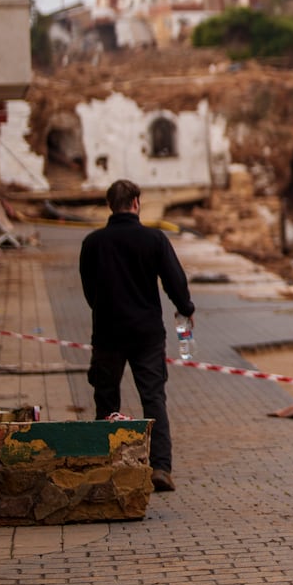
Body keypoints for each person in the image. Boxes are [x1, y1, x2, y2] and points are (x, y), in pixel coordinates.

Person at [80, 179, 195, 493]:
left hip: (106, 332)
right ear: (136, 203)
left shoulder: (93, 243)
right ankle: (160, 467)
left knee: (106, 399)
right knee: (153, 398)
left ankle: (108, 463)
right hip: (146, 333)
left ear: (109, 205)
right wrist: (186, 308)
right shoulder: (153, 239)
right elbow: (174, 280)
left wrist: (103, 309)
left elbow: (89, 289)